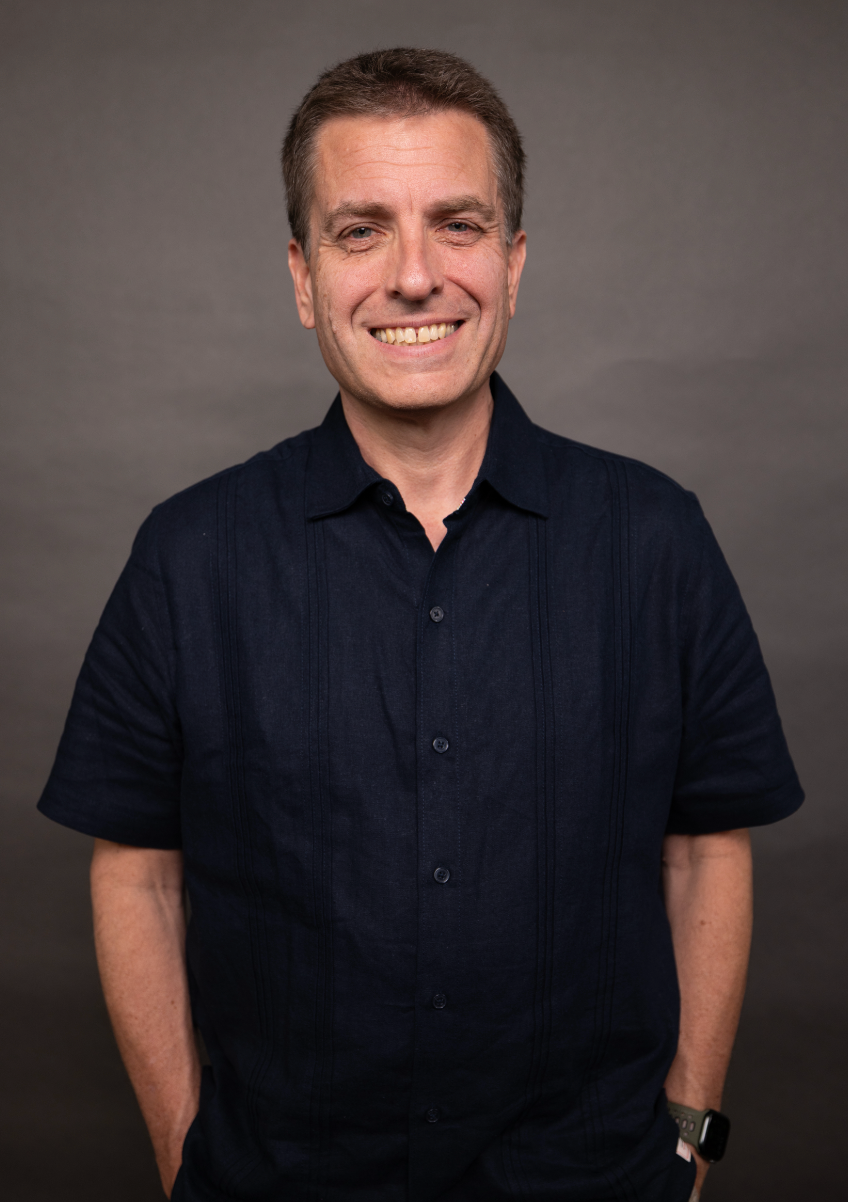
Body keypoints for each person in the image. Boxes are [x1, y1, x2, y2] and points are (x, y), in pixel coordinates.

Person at [38, 47, 803, 1202]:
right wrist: (184, 1153)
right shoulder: (189, 554)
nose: (413, 276)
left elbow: (704, 849)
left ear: (512, 260)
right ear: (301, 277)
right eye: (359, 231)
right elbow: (137, 873)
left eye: (455, 223)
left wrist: (688, 1130)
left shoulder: (654, 537)